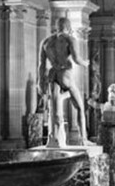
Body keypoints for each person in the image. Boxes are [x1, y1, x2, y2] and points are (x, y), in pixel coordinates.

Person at [38, 17, 92, 146]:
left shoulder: (46, 42)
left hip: (52, 74)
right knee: (79, 107)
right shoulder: (69, 39)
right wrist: (86, 63)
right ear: (68, 27)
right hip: (65, 74)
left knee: (55, 109)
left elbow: (41, 65)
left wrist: (40, 82)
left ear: (57, 26)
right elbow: (77, 58)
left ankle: (54, 139)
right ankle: (83, 139)